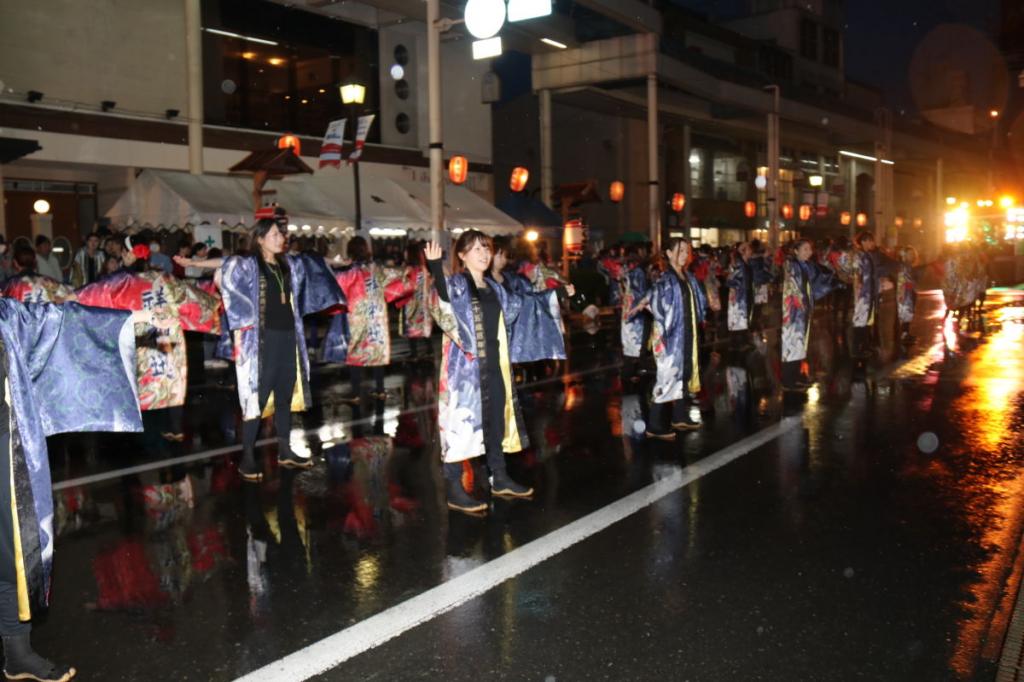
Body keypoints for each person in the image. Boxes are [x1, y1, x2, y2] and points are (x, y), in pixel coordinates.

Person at [0, 297, 163, 682]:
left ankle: (17, 652)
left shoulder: (6, 314)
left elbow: (58, 320)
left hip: (4, 444)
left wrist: (128, 319)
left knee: (12, 554)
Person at [176, 211, 344, 481]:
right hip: (262, 342)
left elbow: (312, 261)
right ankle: (247, 458)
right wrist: (196, 261)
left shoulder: (289, 264)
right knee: (257, 398)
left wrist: (338, 262)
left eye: (282, 234)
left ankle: (286, 450)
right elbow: (227, 262)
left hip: (290, 339)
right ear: (261, 239)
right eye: (276, 235)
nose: (282, 238)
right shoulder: (250, 265)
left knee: (285, 394)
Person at [424, 233, 573, 514]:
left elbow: (524, 303)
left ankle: (499, 477)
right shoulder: (456, 285)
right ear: (461, 255)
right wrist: (434, 267)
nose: (483, 253)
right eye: (476, 248)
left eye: (486, 248)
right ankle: (454, 489)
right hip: (464, 372)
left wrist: (557, 294)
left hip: (496, 365)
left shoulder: (495, 288)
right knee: (460, 426)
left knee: (495, 421)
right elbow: (441, 305)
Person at [76, 236, 221, 442]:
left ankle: (135, 429)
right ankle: (176, 428)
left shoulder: (121, 280)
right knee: (171, 379)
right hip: (168, 336)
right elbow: (191, 294)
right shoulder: (164, 277)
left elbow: (90, 296)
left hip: (139, 338)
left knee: (137, 380)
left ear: (128, 255)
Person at [630, 237, 708, 441]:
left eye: (686, 252)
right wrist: (643, 303)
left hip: (685, 333)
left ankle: (680, 416)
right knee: (668, 376)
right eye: (680, 251)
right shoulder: (667, 278)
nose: (684, 255)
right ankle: (654, 426)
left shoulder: (687, 276)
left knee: (684, 373)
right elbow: (654, 294)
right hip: (670, 336)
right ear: (670, 253)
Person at [323, 236, 415, 402]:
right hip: (377, 317)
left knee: (355, 352)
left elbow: (334, 285)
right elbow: (398, 278)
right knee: (376, 350)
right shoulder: (376, 269)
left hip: (356, 317)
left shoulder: (349, 271)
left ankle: (356, 392)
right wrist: (406, 273)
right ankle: (379, 390)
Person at [780, 240, 834, 390]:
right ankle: (788, 381)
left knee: (800, 343)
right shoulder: (791, 265)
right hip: (794, 312)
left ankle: (797, 376)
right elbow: (793, 288)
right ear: (795, 251)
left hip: (802, 310)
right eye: (805, 249)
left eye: (810, 249)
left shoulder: (804, 265)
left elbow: (818, 279)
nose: (809, 252)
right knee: (792, 343)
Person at [725, 241, 771, 350]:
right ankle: (737, 346)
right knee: (738, 320)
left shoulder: (748, 263)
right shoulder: (738, 264)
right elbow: (731, 280)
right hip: (740, 297)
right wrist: (737, 287)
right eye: (748, 248)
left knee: (746, 318)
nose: (751, 250)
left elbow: (759, 271)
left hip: (748, 294)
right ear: (743, 252)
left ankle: (743, 342)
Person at [396, 241, 435, 362]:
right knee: (423, 327)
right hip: (423, 303)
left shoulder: (409, 269)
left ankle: (415, 353)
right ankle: (429, 350)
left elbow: (404, 285)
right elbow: (429, 284)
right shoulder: (423, 269)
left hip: (411, 302)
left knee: (412, 328)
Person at [2, 246, 76, 304]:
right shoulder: (50, 281)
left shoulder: (8, 285)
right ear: (35, 261)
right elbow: (70, 297)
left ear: (15, 263)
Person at [895, 245, 918, 344]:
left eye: (913, 254)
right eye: (909, 254)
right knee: (904, 313)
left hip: (909, 292)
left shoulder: (908, 266)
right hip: (905, 293)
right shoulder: (903, 266)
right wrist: (901, 293)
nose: (912, 256)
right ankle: (902, 335)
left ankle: (905, 333)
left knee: (908, 313)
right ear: (903, 255)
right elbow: (901, 280)